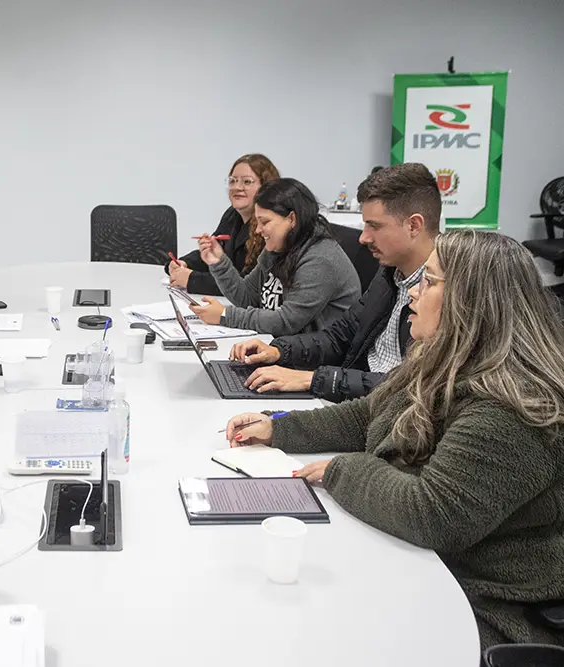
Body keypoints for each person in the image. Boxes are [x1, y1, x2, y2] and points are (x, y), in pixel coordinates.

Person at [225, 230, 564, 650]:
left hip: (484, 607)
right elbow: (371, 413)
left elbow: (431, 515)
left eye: (430, 282)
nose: (414, 294)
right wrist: (280, 427)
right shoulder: (442, 356)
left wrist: (341, 470)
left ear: (470, 302)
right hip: (430, 566)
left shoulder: (512, 407)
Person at [228, 163, 439, 401]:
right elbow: (339, 336)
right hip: (355, 399)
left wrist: (313, 379)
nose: (363, 237)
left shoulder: (449, 292)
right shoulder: (389, 274)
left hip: (384, 412)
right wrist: (280, 351)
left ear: (414, 225)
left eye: (374, 226)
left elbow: (412, 386)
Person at [189, 178, 360, 336]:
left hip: (314, 360)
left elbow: (286, 321)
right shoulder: (279, 245)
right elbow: (247, 297)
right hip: (285, 346)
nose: (258, 230)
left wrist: (225, 315)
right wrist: (218, 262)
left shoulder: (320, 259)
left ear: (292, 219)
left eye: (265, 222)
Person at [167, 154, 280, 294]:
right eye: (233, 181)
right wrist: (184, 263)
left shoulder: (269, 226)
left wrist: (191, 279)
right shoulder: (232, 215)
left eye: (247, 182)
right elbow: (214, 255)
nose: (237, 187)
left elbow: (245, 285)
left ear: (265, 187)